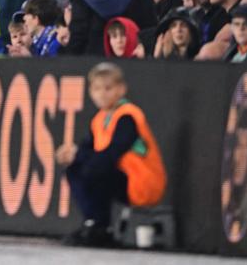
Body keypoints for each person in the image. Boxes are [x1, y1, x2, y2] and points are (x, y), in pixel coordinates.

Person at [56, 63, 167, 247]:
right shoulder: (99, 119)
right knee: (75, 169)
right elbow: (87, 149)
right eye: (97, 88)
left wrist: (80, 155)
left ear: (121, 89)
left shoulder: (127, 116)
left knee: (94, 168)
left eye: (108, 88)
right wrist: (72, 153)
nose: (102, 93)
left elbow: (114, 151)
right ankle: (94, 224)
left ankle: (100, 227)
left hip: (142, 182)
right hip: (120, 178)